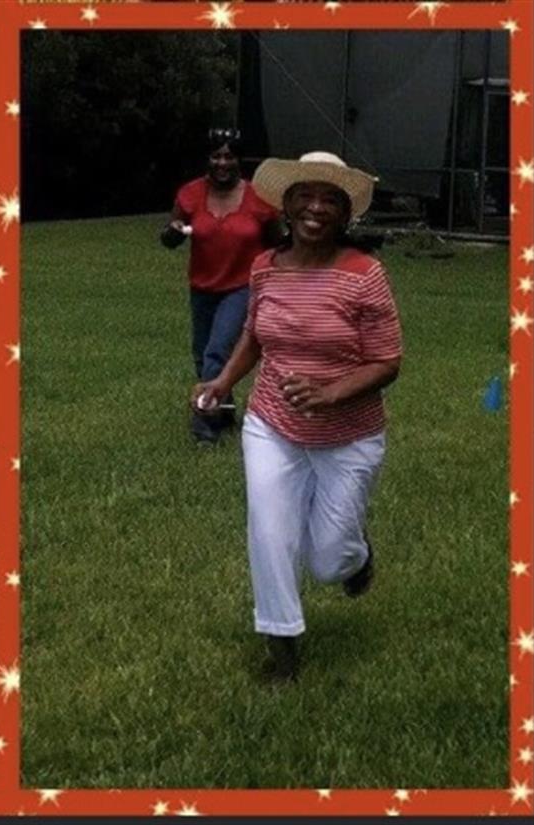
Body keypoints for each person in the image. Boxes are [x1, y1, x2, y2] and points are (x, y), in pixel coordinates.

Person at [192, 151, 402, 682]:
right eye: (304, 195)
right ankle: (281, 647)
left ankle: (356, 557)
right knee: (269, 529)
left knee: (329, 559)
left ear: (345, 213)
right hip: (272, 425)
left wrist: (332, 393)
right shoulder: (264, 268)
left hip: (349, 435)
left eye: (330, 199)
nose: (315, 207)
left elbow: (387, 361)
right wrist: (223, 382)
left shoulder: (364, 274)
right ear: (285, 204)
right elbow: (255, 335)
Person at [161, 128, 280, 445]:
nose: (222, 162)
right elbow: (170, 235)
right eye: (216, 156)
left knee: (216, 350)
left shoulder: (259, 198)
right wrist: (172, 233)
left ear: (240, 160)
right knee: (202, 355)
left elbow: (277, 244)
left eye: (229, 156)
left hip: (241, 286)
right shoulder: (190, 194)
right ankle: (225, 410)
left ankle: (205, 426)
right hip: (202, 286)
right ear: (207, 159)